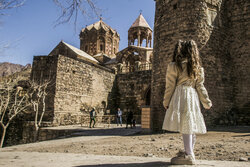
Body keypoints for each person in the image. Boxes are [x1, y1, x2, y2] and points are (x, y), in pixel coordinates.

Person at [162, 40, 212, 165]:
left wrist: (166, 100)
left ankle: (189, 155)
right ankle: (188, 151)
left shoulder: (174, 66)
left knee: (186, 126)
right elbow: (200, 87)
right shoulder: (197, 68)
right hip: (192, 95)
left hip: (180, 95)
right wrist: (206, 102)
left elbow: (170, 86)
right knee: (190, 124)